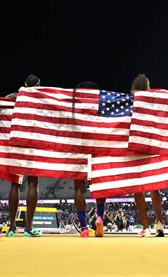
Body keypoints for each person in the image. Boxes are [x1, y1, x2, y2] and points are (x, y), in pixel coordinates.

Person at [6, 74, 41, 237]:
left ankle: (12, 228)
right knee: (33, 183)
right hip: (34, 141)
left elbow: (3, 100)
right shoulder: (43, 97)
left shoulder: (16, 96)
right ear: (39, 85)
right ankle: (28, 228)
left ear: (24, 84)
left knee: (15, 184)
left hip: (17, 140)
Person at [130, 74, 165, 237]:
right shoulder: (154, 101)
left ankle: (145, 226)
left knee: (138, 189)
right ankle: (159, 224)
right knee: (154, 187)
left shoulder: (131, 101)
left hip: (135, 146)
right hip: (152, 145)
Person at [71, 81, 107, 238]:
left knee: (78, 188)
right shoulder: (101, 104)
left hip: (79, 146)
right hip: (97, 144)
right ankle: (99, 216)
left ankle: (84, 227)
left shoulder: (74, 107)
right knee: (100, 184)